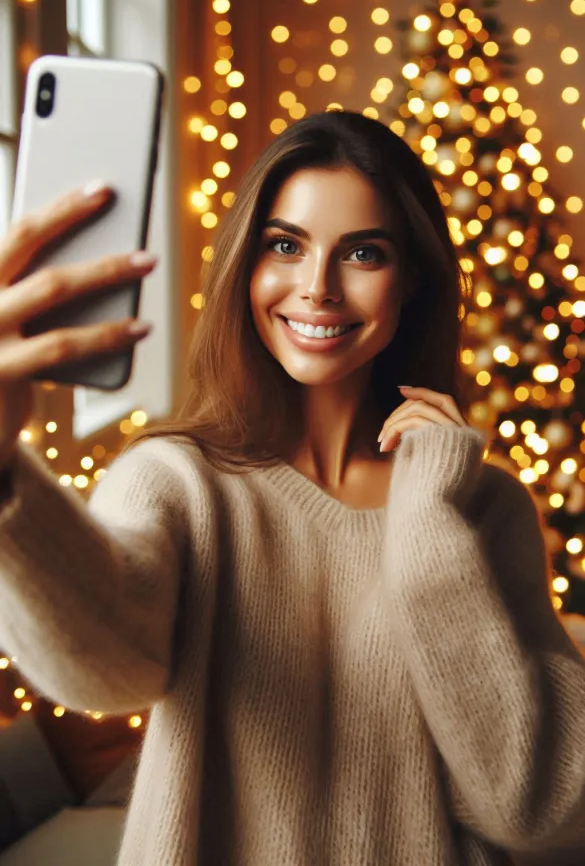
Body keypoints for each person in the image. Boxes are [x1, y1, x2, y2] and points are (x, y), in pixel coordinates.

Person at [0, 109, 584, 866]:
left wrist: (428, 528)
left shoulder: (482, 505)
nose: (316, 289)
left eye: (363, 253)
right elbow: (108, 671)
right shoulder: (177, 481)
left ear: (409, 279)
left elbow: (536, 806)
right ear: (246, 264)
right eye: (284, 245)